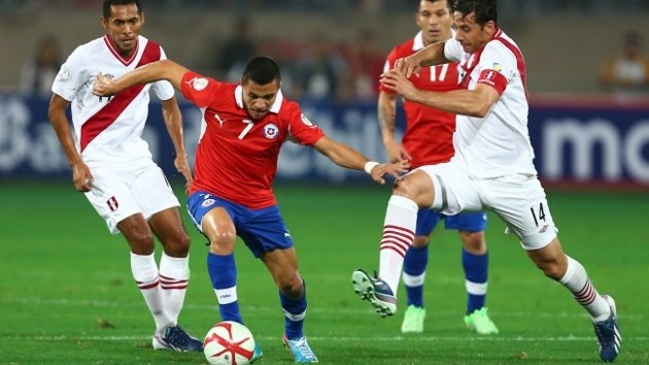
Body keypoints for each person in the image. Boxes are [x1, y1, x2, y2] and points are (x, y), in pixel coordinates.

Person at [352, 0, 621, 362]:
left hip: (512, 180)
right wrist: (417, 60)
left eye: (464, 28)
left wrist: (414, 92)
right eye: (456, 25)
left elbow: (479, 103)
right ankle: (387, 286)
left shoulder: (499, 53)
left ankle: (602, 311)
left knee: (552, 264)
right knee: (407, 188)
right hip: (465, 170)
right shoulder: (465, 43)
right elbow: (439, 49)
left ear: (489, 29)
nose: (456, 35)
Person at [92, 55, 409, 363]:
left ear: (278, 88)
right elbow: (163, 67)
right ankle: (234, 325)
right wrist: (115, 86)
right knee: (223, 235)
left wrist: (370, 165)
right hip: (209, 193)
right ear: (241, 85)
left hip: (259, 204)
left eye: (267, 97)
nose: (260, 103)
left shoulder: (287, 113)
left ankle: (295, 336)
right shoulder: (214, 93)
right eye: (253, 96)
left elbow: (328, 147)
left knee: (291, 282)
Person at [48, 0, 202, 352]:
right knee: (142, 238)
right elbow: (56, 108)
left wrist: (180, 153)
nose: (128, 29)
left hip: (138, 159)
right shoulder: (84, 57)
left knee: (179, 241)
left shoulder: (154, 53)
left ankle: (167, 334)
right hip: (99, 164)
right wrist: (76, 162)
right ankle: (166, 329)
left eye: (133, 20)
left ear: (142, 18)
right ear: (105, 23)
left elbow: (169, 104)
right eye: (119, 23)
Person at [377, 0, 497, 335]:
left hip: (464, 163)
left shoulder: (470, 51)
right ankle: (415, 307)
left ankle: (477, 311)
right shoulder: (401, 54)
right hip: (419, 164)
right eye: (427, 14)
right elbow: (386, 97)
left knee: (474, 237)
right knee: (416, 240)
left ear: (452, 17)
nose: (433, 21)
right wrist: (388, 138)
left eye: (440, 14)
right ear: (417, 18)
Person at [599, 30, 649, 98]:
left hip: (639, 99)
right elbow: (604, 78)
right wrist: (621, 82)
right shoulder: (615, 63)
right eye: (629, 45)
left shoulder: (645, 64)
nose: (632, 48)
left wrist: (635, 83)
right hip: (618, 99)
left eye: (634, 45)